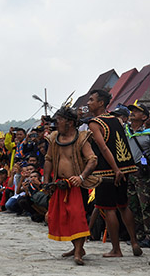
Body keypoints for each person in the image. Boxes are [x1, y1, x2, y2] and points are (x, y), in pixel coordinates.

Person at [87, 89, 141, 257]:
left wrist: (115, 169)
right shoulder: (115, 120)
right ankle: (134, 242)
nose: (88, 103)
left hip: (107, 171)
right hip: (125, 168)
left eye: (91, 100)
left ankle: (116, 249)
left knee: (109, 209)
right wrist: (120, 169)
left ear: (101, 103)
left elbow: (103, 147)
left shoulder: (95, 123)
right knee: (123, 206)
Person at [44, 107, 98, 265]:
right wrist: (46, 180)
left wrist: (81, 177)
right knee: (63, 217)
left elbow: (92, 160)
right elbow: (48, 159)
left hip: (76, 185)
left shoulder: (82, 138)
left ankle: (78, 253)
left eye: (59, 120)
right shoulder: (54, 138)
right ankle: (77, 248)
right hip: (59, 185)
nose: (57, 123)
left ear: (70, 122)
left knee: (77, 217)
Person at [125, 101, 150, 248]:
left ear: (144, 117)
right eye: (132, 110)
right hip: (129, 172)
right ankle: (139, 235)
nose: (132, 112)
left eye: (137, 111)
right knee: (133, 205)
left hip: (143, 173)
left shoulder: (147, 135)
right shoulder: (126, 131)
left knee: (146, 205)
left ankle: (149, 235)